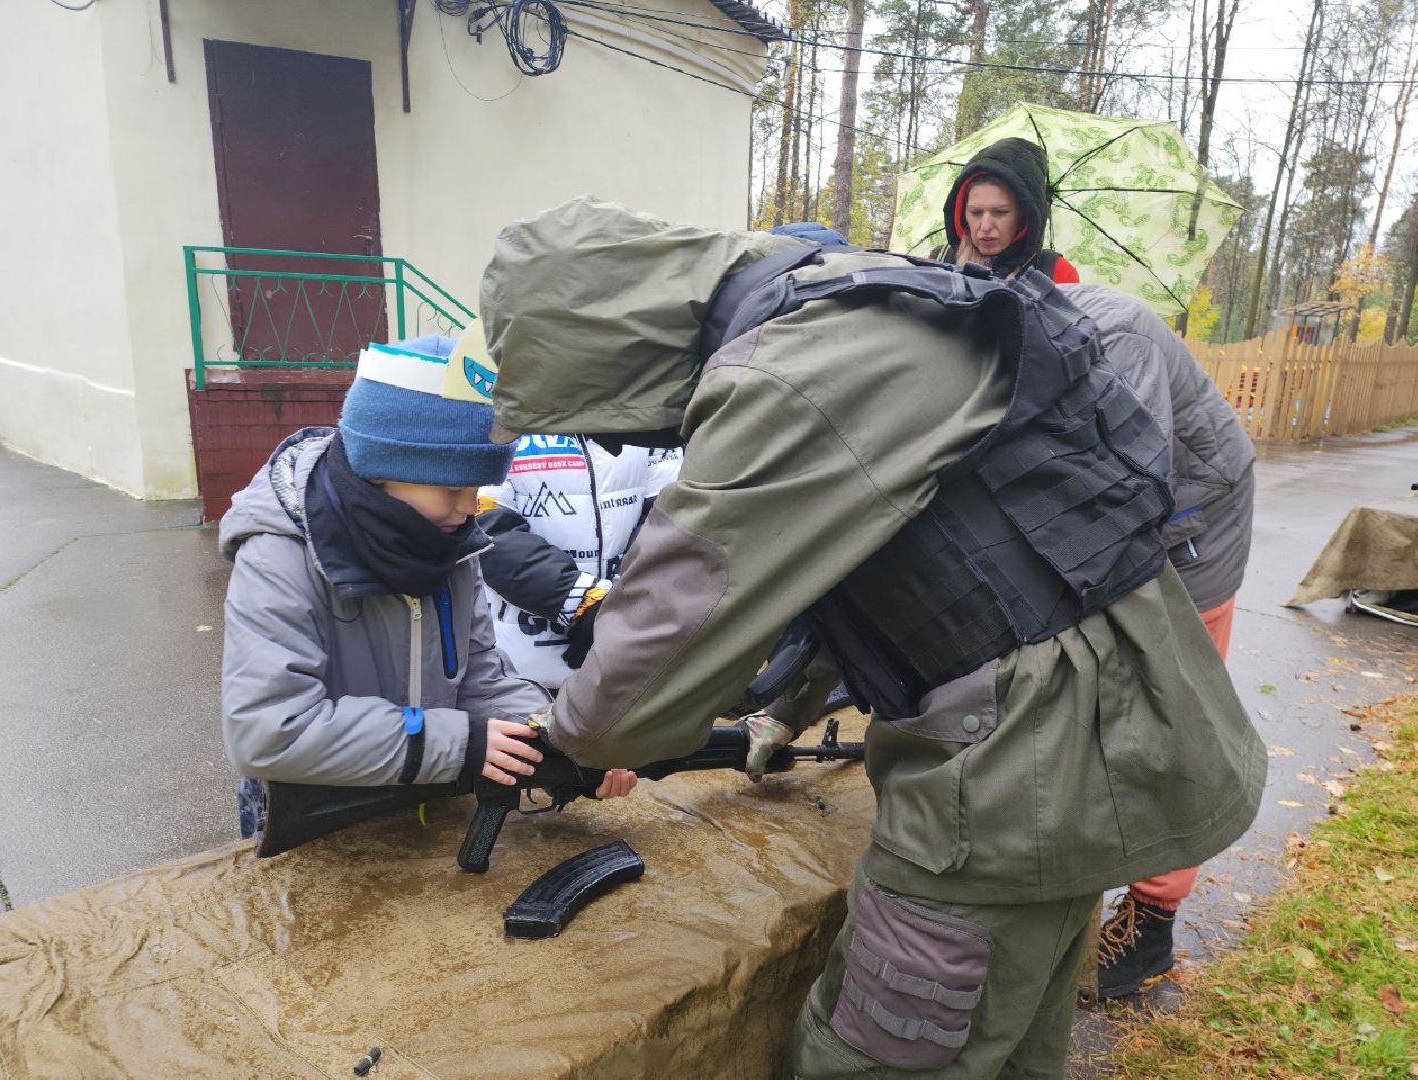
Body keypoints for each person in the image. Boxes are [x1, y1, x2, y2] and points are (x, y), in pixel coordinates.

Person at [478, 196, 1265, 1078]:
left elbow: (659, 647)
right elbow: (891, 569)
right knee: (1009, 1046)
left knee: (870, 1057)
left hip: (1014, 770)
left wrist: (573, 741)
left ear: (605, 351)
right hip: (1105, 732)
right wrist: (782, 709)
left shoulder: (787, 373)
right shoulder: (869, 302)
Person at [220, 336, 636, 837]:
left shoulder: (449, 541)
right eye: (452, 490)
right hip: (310, 817)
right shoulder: (279, 553)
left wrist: (562, 744)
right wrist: (455, 744)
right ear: (383, 470)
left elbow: (481, 678)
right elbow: (267, 730)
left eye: (477, 488)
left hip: (430, 790)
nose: (470, 508)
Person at [1063, 284, 1257, 998]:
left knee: (1175, 706)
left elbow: (1133, 477)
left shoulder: (1121, 338)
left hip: (1199, 518)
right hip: (1139, 516)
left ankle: (1152, 923)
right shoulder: (1024, 344)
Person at [476, 434, 681, 690]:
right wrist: (585, 603)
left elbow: (669, 519)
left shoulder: (647, 415)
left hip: (626, 649)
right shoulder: (496, 417)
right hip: (513, 668)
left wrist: (621, 605)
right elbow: (488, 532)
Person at [931, 137, 1080, 283]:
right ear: (963, 213)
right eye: (976, 212)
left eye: (1000, 212)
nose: (985, 226)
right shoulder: (937, 262)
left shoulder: (1056, 273)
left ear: (1023, 216)